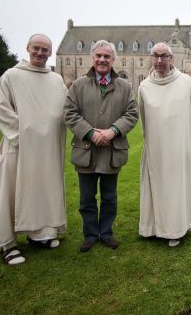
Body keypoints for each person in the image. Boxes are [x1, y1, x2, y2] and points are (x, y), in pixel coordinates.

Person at [0, 34, 67, 265]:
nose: (40, 53)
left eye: (45, 50)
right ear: (28, 48)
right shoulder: (11, 76)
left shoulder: (56, 80)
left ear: (50, 53)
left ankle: (39, 235)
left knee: (40, 191)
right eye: (36, 48)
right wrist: (26, 136)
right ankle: (7, 244)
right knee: (10, 194)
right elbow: (2, 111)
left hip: (46, 150)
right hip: (18, 148)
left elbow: (63, 112)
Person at [64, 40, 138, 253]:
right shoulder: (78, 85)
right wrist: (90, 133)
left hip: (112, 151)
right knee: (86, 199)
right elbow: (70, 113)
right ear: (92, 58)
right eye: (98, 56)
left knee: (109, 198)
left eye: (107, 56)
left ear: (113, 60)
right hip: (85, 151)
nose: (102, 60)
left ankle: (106, 233)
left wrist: (112, 131)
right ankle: (90, 235)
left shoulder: (124, 87)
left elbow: (132, 113)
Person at [138, 42, 191, 247]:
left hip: (179, 145)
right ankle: (152, 228)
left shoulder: (185, 82)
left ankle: (175, 228)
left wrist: (186, 144)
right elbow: (143, 120)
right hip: (155, 146)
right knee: (155, 183)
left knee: (175, 186)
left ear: (171, 58)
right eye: (155, 56)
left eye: (164, 56)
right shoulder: (144, 87)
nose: (159, 60)